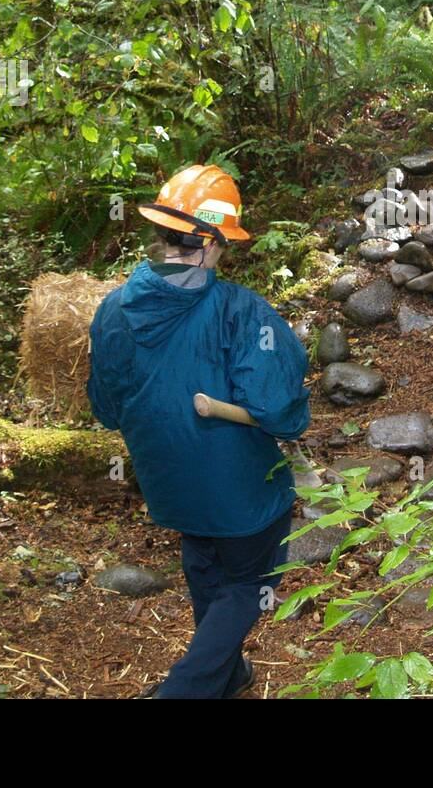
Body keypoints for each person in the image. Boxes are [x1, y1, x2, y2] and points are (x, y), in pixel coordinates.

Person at [87, 164, 310, 699]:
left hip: (167, 483)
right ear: (209, 242)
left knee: (205, 557)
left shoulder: (112, 309)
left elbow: (107, 409)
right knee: (248, 582)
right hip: (242, 488)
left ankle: (228, 674)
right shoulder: (238, 310)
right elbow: (278, 409)